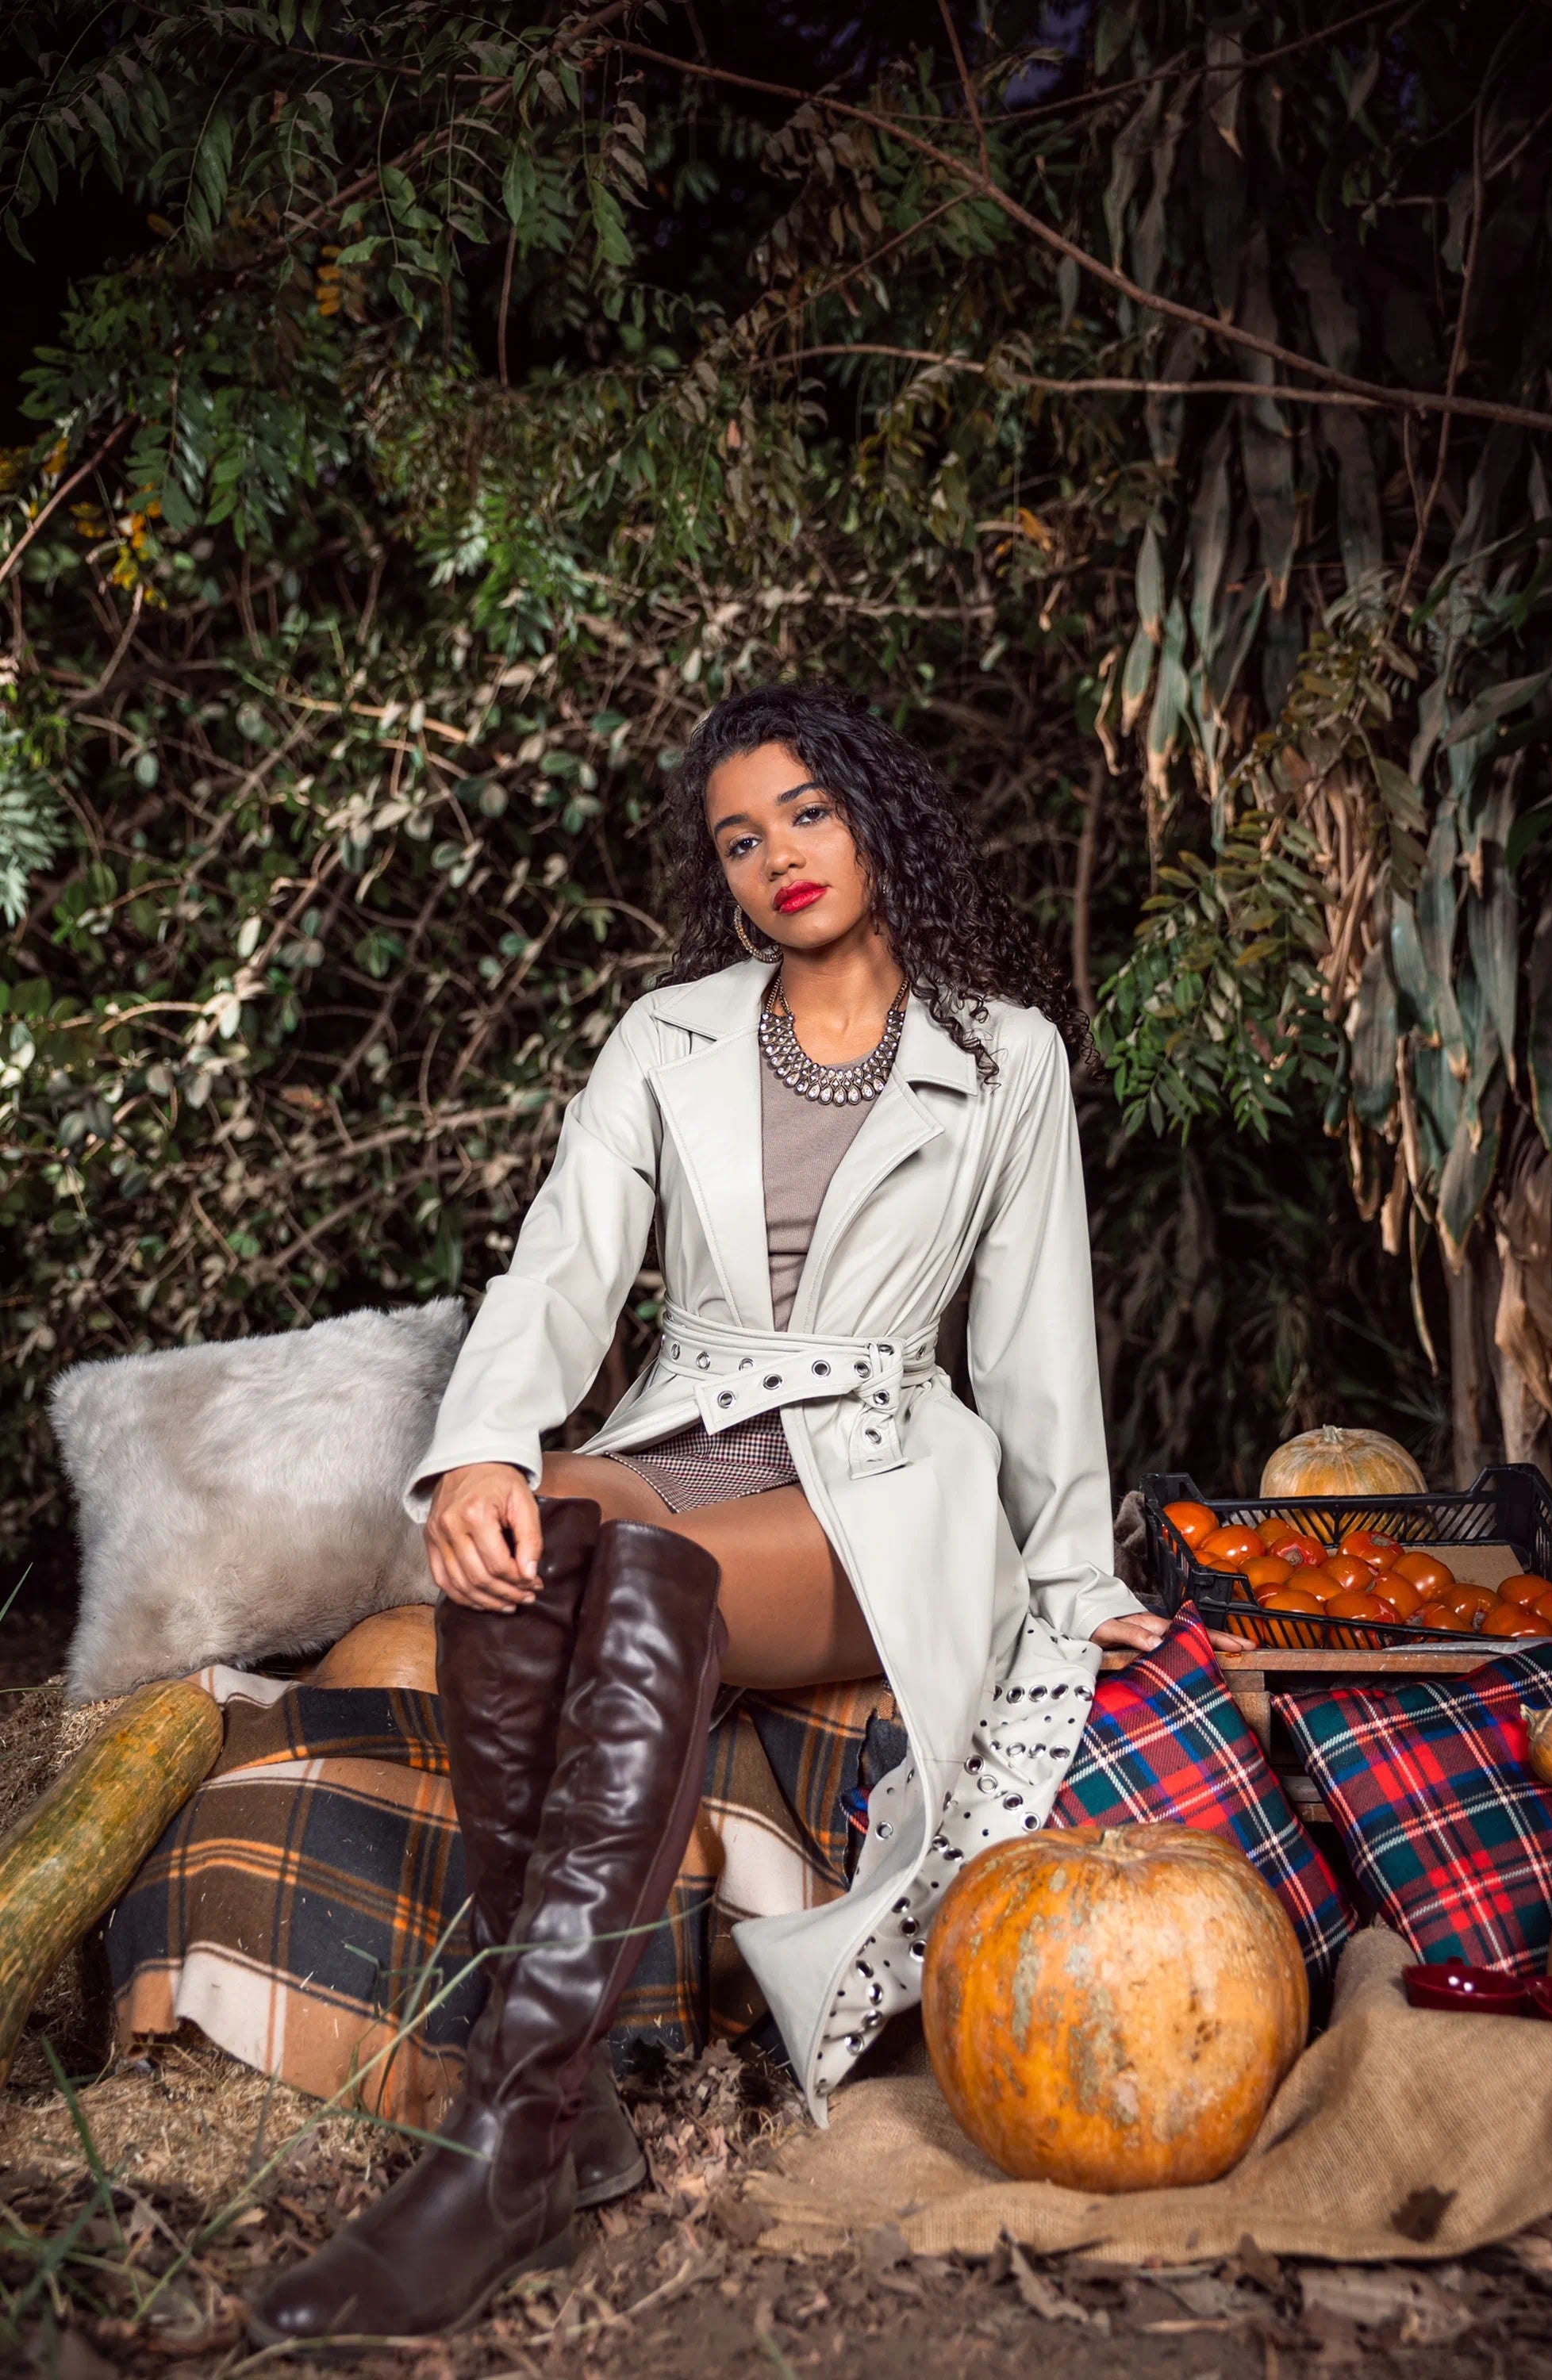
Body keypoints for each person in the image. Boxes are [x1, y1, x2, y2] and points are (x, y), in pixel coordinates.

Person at [249, 681, 1212, 2347]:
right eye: (740, 838)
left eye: (809, 814)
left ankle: (504, 2146)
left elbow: (1038, 1346)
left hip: (878, 1477)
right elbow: (562, 1265)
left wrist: (1073, 1584)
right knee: (531, 1548)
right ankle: (558, 2125)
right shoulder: (668, 1036)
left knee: (639, 1568)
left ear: (877, 817)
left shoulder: (1006, 1055)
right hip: (686, 1426)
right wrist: (484, 1450)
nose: (780, 858)